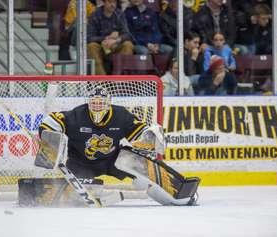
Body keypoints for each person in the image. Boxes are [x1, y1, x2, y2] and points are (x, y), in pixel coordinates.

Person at [38, 86, 199, 206]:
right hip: (80, 162)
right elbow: (52, 121)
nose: (97, 106)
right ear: (88, 103)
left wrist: (150, 137)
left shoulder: (120, 115)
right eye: (94, 103)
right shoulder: (77, 114)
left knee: (141, 168)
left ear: (108, 104)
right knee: (72, 198)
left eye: (101, 103)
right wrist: (46, 136)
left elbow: (140, 131)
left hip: (111, 161)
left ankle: (176, 195)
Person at [87, 0, 134, 75]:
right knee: (91, 46)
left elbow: (127, 34)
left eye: (114, 2)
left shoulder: (119, 14)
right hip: (101, 46)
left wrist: (116, 40)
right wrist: (106, 38)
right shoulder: (95, 14)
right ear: (104, 2)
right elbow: (89, 37)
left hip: (115, 45)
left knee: (128, 44)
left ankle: (118, 79)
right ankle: (103, 81)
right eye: (110, 2)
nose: (113, 5)